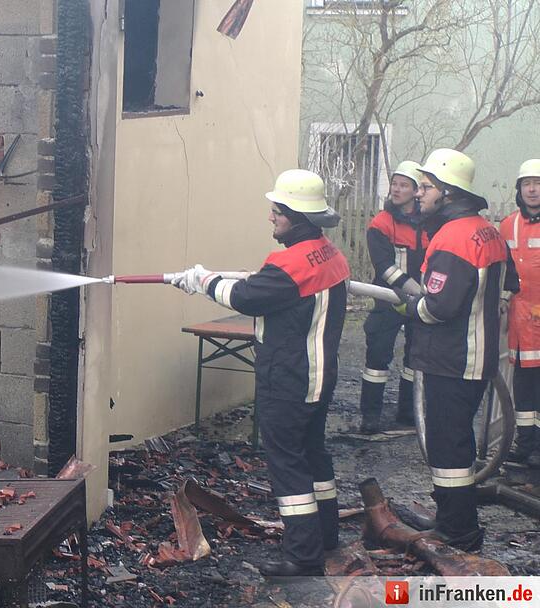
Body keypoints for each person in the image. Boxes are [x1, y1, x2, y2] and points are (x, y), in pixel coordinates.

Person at [174, 169, 348, 578]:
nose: (271, 218)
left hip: (287, 380)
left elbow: (245, 297)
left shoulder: (289, 265)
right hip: (319, 379)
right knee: (313, 455)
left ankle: (304, 557)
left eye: (277, 212)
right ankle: (327, 535)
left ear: (298, 217)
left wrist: (201, 280)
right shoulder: (330, 254)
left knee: (287, 464)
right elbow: (272, 290)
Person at [397, 149, 511, 551]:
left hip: (449, 359)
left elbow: (439, 307)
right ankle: (450, 518)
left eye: (426, 188)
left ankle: (459, 532)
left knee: (447, 447)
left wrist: (409, 306)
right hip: (475, 358)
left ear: (447, 192)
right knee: (456, 442)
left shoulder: (453, 237)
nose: (419, 195)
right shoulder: (486, 230)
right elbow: (507, 284)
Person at [359, 161, 427, 433]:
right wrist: (417, 291)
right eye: (394, 184)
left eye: (404, 185)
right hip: (388, 298)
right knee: (377, 356)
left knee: (415, 357)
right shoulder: (382, 222)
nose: (397, 189)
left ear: (415, 191)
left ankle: (408, 413)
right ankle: (370, 416)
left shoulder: (430, 221)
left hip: (420, 301)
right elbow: (384, 266)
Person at [499, 159, 540, 468]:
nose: (533, 189)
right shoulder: (507, 225)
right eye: (527, 183)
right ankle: (525, 444)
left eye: (538, 183)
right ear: (519, 189)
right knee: (523, 382)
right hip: (518, 316)